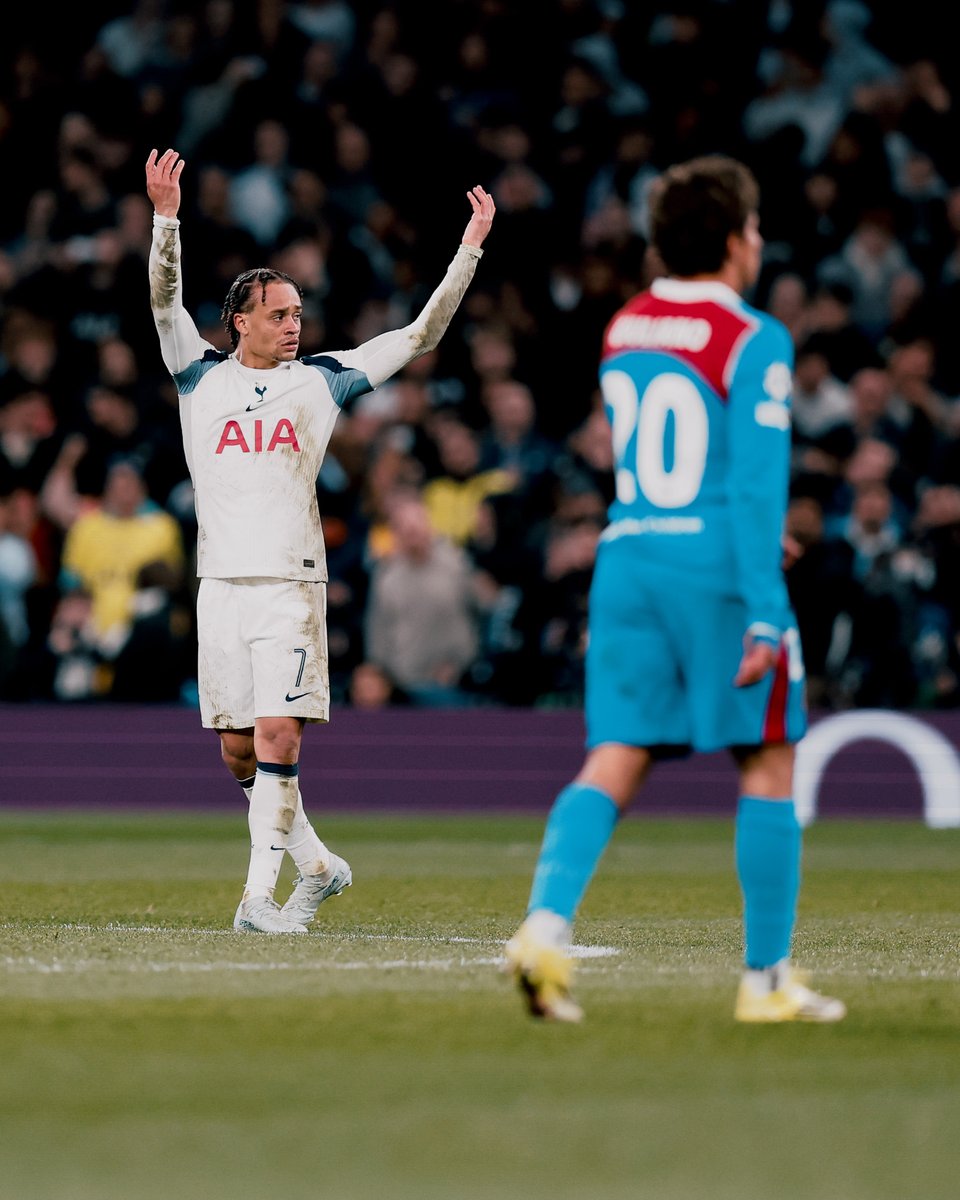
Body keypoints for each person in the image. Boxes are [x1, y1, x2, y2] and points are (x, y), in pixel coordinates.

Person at [505, 155, 846, 1025]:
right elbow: (756, 485)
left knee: (617, 755)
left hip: (631, 555)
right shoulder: (754, 336)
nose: (759, 242)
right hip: (718, 569)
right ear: (733, 240)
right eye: (754, 227)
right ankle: (765, 983)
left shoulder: (626, 326)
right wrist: (764, 608)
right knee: (768, 759)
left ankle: (544, 927)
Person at [145, 146, 495, 934]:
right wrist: (167, 221)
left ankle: (255, 902)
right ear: (240, 321)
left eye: (298, 312)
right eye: (278, 314)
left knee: (277, 735)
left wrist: (468, 250)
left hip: (290, 584)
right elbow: (164, 300)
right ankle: (318, 867)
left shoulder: (323, 379)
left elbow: (421, 335)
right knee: (239, 752)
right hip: (219, 584)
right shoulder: (198, 375)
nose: (294, 325)